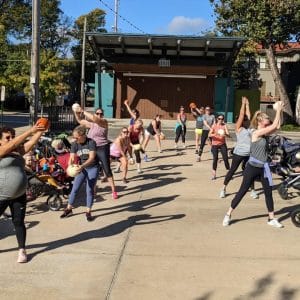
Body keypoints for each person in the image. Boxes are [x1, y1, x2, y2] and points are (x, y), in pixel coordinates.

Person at [222, 101, 284, 228]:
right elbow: (273, 127)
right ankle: (228, 214)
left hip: (264, 168)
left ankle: (271, 218)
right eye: (267, 118)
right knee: (242, 191)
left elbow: (277, 126)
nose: (269, 119)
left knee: (268, 192)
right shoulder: (255, 133)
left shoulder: (265, 133)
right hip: (252, 167)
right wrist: (277, 110)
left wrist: (280, 110)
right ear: (260, 121)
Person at [0, 124, 47, 263]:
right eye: (7, 137)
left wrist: (40, 131)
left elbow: (31, 143)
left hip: (19, 195)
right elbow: (13, 144)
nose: (11, 139)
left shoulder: (17, 151)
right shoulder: (1, 150)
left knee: (18, 222)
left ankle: (22, 250)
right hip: (1, 195)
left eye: (12, 136)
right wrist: (30, 130)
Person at [73, 107, 118, 199]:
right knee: (93, 169)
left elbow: (95, 119)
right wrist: (76, 112)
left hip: (102, 147)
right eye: (97, 113)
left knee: (107, 169)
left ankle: (113, 190)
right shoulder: (92, 125)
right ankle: (93, 191)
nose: (99, 115)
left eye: (101, 114)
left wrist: (83, 111)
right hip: (92, 148)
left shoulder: (104, 122)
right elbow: (80, 120)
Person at [219, 97, 258, 199]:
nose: (245, 120)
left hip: (249, 154)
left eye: (246, 119)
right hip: (239, 153)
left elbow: (248, 116)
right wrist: (243, 104)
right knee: (232, 170)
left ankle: (252, 190)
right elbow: (242, 115)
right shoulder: (239, 128)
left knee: (251, 173)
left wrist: (248, 105)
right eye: (243, 119)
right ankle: (223, 188)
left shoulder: (250, 128)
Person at [60, 126, 99, 221]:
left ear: (83, 135)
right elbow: (72, 158)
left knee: (89, 190)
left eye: (76, 137)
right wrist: (70, 166)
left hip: (92, 167)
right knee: (75, 189)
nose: (75, 139)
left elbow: (91, 158)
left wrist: (82, 166)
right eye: (74, 137)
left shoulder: (91, 142)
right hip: (81, 168)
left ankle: (88, 211)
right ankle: (69, 209)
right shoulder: (74, 144)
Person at [209, 114, 230, 180]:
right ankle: (214, 173)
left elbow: (228, 135)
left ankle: (228, 171)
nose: (220, 120)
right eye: (219, 118)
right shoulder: (214, 126)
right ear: (217, 119)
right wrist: (215, 134)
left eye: (222, 119)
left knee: (225, 158)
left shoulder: (224, 126)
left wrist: (225, 134)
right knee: (215, 159)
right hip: (215, 144)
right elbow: (209, 134)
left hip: (222, 144)